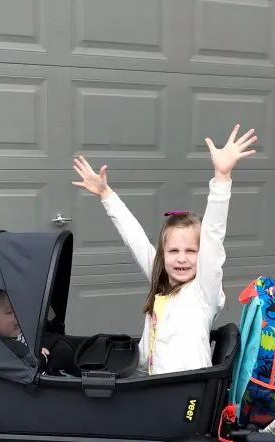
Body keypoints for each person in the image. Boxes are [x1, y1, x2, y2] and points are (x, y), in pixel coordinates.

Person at [72, 123, 257, 375]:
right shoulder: (160, 280)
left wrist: (221, 178)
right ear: (163, 254)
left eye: (191, 251)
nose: (181, 259)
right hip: (152, 387)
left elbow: (213, 237)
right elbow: (134, 238)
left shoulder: (204, 291)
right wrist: (107, 195)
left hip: (186, 395)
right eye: (173, 251)